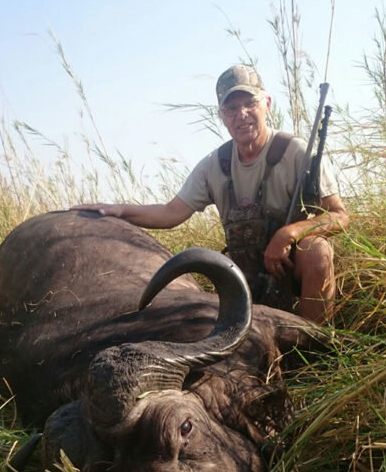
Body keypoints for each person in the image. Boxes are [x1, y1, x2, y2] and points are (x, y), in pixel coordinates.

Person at [72, 64, 349, 324]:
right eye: (231, 109)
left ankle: (316, 352)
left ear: (267, 104)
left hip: (290, 272)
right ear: (221, 116)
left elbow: (339, 216)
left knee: (317, 251)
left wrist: (288, 234)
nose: (241, 115)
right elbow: (170, 214)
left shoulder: (296, 152)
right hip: (244, 280)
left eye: (249, 104)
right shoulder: (215, 165)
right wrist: (117, 211)